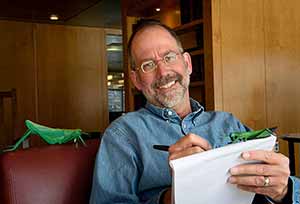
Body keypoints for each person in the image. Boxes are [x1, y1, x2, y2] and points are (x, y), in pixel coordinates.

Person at [90, 19, 299, 204]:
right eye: (148, 65)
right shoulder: (122, 135)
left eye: (169, 57)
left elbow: (280, 187)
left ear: (187, 64)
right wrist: (171, 198)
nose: (163, 72)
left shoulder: (228, 123)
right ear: (136, 80)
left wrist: (284, 191)